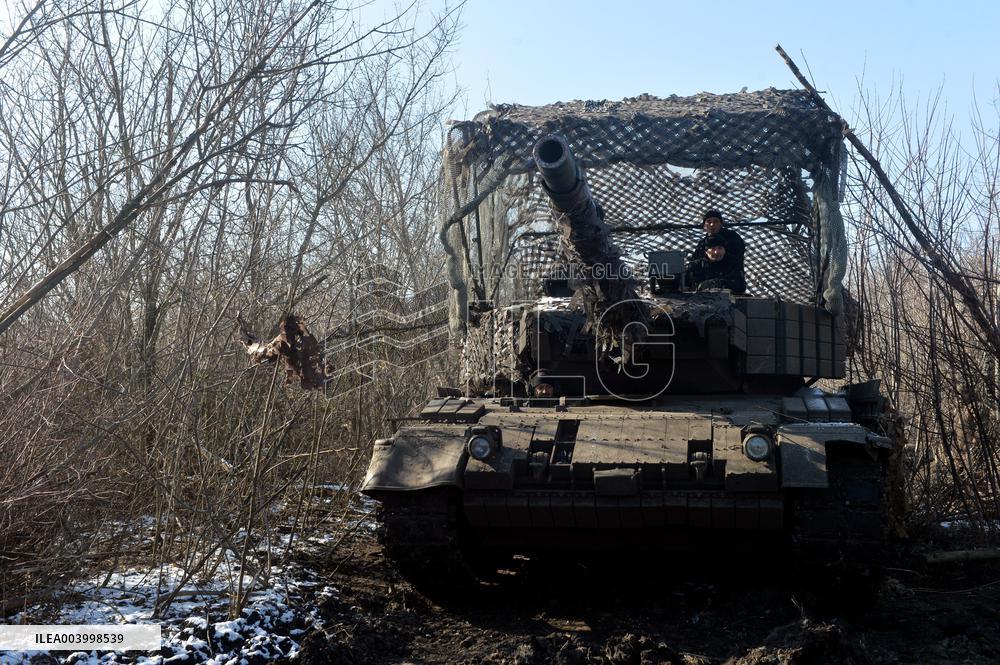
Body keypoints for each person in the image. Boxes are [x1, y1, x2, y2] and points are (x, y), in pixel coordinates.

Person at [686, 209, 747, 293]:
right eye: (709, 221)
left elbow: (737, 261)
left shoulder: (733, 238)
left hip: (727, 277)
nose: (712, 224)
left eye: (715, 222)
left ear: (721, 224)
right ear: (704, 225)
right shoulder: (702, 244)